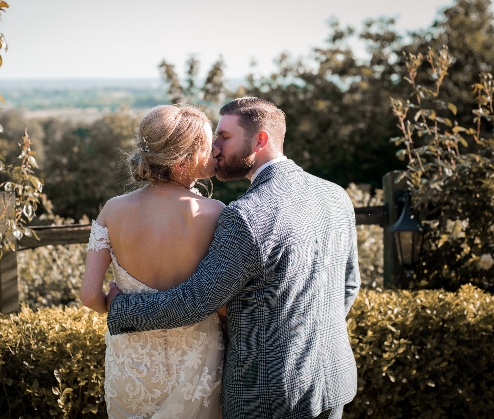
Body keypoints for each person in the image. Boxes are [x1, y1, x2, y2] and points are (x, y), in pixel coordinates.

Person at [106, 97, 361, 419]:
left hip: (267, 393)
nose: (214, 147)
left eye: (224, 137)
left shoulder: (247, 215)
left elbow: (195, 301)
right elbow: (349, 286)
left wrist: (120, 306)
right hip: (332, 379)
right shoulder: (334, 195)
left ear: (261, 140)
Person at [80, 104, 226, 419]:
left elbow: (90, 295)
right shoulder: (215, 213)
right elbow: (225, 302)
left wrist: (120, 306)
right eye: (207, 145)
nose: (214, 151)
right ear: (185, 158)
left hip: (131, 369)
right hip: (197, 367)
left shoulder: (113, 210)